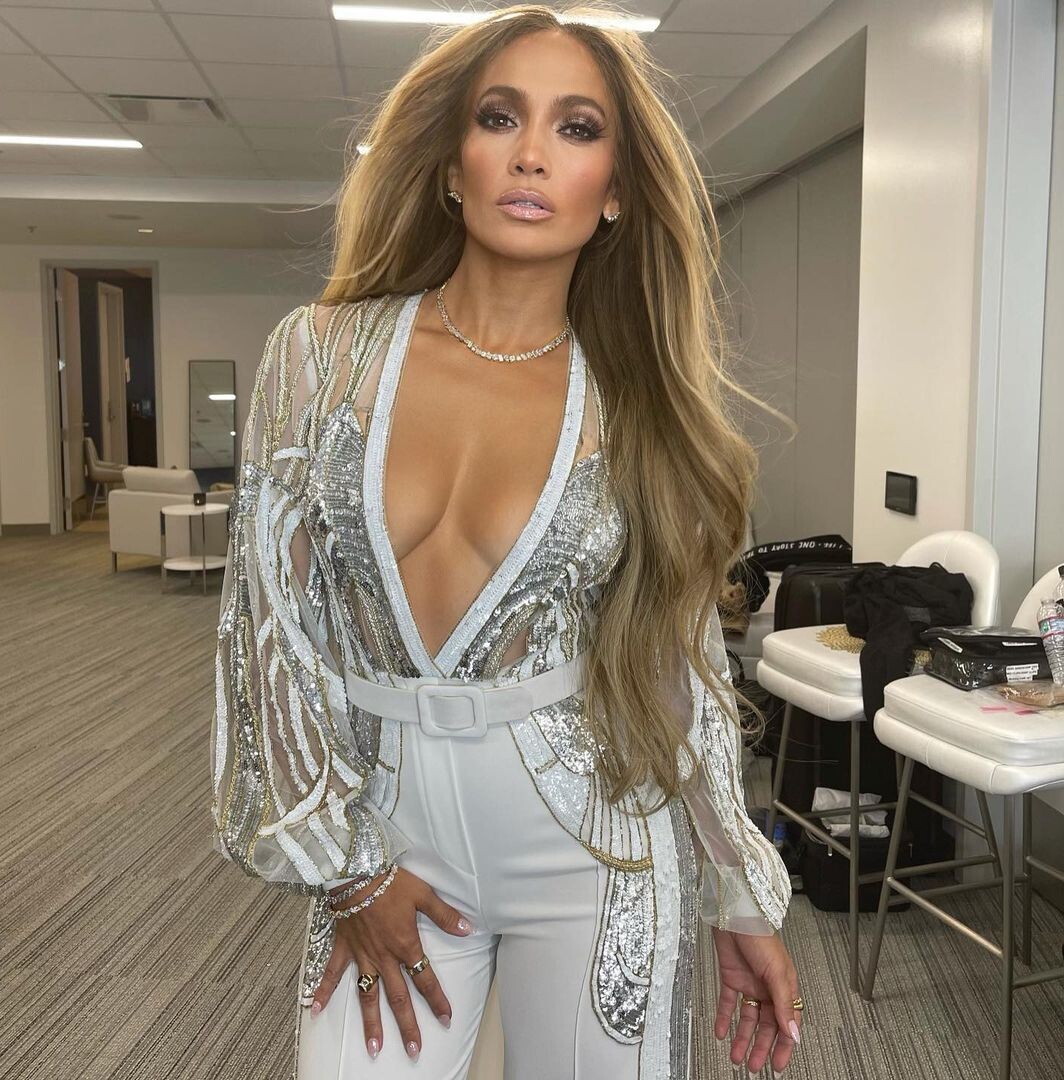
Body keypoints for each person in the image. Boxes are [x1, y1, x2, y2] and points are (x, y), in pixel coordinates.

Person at [210, 5, 802, 1078]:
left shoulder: (638, 403)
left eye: (577, 129)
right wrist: (347, 868)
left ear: (615, 189)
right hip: (384, 830)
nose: (532, 154)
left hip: (595, 846)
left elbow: (680, 666)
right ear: (452, 164)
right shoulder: (318, 355)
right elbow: (268, 634)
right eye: (499, 118)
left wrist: (740, 893)